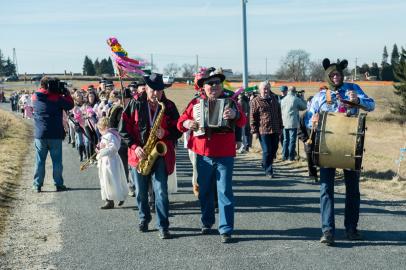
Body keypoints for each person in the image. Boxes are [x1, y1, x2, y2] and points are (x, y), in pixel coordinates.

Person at [306, 58, 375, 246]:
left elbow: (372, 105)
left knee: (353, 189)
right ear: (327, 76)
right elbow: (308, 120)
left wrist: (358, 100)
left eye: (338, 74)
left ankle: (351, 229)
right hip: (326, 147)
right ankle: (327, 231)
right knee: (326, 189)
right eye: (332, 75)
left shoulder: (353, 88)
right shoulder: (320, 96)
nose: (336, 77)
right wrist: (313, 121)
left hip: (350, 146)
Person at [177, 67, 247, 243]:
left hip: (224, 154)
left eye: (217, 83)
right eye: (210, 83)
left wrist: (235, 114)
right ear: (204, 86)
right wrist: (188, 122)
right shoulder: (195, 103)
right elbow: (180, 123)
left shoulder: (230, 102)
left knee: (224, 191)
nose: (214, 86)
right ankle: (207, 222)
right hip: (203, 154)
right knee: (205, 191)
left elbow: (243, 121)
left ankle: (225, 229)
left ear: (221, 85)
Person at [119, 73, 181, 239]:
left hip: (160, 154)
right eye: (153, 90)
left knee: (161, 192)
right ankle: (144, 217)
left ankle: (163, 226)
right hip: (139, 154)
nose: (156, 94)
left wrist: (166, 132)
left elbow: (179, 129)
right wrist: (134, 146)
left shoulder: (169, 106)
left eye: (159, 91)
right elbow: (123, 129)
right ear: (145, 88)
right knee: (140, 192)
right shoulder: (134, 104)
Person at [32, 77, 74, 192]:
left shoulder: (34, 97)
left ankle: (37, 185)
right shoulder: (56, 98)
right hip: (55, 133)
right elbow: (70, 105)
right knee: (57, 161)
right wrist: (66, 93)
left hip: (40, 134)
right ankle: (58, 184)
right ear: (50, 85)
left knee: (40, 160)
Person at [250, 81, 283, 178]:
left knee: (274, 150)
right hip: (263, 130)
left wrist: (281, 127)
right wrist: (254, 131)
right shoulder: (255, 101)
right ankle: (269, 170)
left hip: (275, 129)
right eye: (264, 89)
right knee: (267, 150)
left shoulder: (274, 99)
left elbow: (278, 114)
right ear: (260, 90)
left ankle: (265, 162)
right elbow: (252, 117)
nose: (266, 90)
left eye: (267, 88)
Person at [96, 117, 129, 209]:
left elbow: (113, 148)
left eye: (100, 129)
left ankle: (120, 196)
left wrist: (102, 151)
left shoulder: (111, 136)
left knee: (114, 180)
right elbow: (104, 146)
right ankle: (109, 200)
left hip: (111, 162)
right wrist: (99, 149)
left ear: (105, 127)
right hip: (105, 162)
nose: (99, 131)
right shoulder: (105, 136)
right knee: (105, 181)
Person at [280, 86, 307, 161]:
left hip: (284, 122)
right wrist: (302, 98)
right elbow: (304, 107)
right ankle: (291, 156)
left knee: (285, 140)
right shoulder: (295, 99)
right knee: (292, 140)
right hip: (293, 122)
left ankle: (284, 155)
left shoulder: (283, 99)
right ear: (294, 91)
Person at [297, 96, 318, 182]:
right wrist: (305, 140)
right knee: (310, 159)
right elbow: (299, 130)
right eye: (309, 104)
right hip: (308, 142)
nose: (310, 105)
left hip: (320, 142)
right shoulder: (303, 116)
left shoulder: (320, 115)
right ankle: (313, 175)